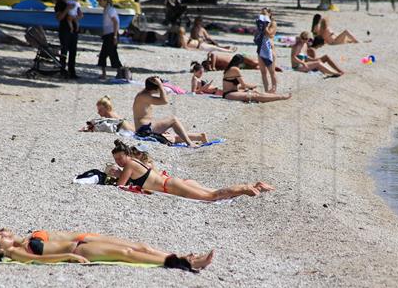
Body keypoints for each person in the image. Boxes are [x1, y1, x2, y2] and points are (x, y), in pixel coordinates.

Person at [0, 228, 213, 271]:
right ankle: (185, 263)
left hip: (83, 243)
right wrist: (69, 256)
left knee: (140, 246)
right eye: (1, 236)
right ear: (0, 248)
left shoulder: (24, 241)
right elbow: (38, 262)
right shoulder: (13, 253)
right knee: (128, 255)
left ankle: (182, 257)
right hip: (82, 251)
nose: (6, 232)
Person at [111, 140, 275, 201]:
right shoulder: (135, 162)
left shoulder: (130, 165)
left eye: (120, 158)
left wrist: (115, 174)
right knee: (215, 192)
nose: (118, 162)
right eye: (116, 160)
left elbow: (120, 186)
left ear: (127, 155)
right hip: (172, 182)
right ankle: (255, 185)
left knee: (212, 197)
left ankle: (245, 189)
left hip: (170, 186)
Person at [133, 77, 207, 146]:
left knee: (171, 138)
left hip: (145, 128)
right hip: (144, 129)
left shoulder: (144, 94)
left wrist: (160, 128)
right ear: (155, 89)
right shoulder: (144, 96)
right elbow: (164, 101)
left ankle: (200, 136)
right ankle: (190, 143)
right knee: (173, 120)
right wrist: (160, 85)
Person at [221, 54, 291, 103]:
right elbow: (244, 85)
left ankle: (275, 96)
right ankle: (280, 97)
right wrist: (254, 85)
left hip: (233, 92)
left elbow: (235, 85)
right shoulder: (235, 69)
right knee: (255, 96)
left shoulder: (230, 68)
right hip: (229, 94)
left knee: (256, 92)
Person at [54, 0, 81, 78]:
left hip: (74, 30)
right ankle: (62, 70)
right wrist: (66, 9)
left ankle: (72, 71)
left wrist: (75, 18)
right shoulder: (59, 4)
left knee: (73, 51)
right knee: (64, 50)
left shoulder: (74, 2)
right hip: (64, 29)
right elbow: (59, 17)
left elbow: (79, 14)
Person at [97, 0, 122, 79]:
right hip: (107, 35)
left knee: (113, 53)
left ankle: (120, 72)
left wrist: (115, 36)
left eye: (101, 0)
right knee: (103, 54)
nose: (99, 2)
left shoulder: (110, 10)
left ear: (105, 1)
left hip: (112, 34)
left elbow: (116, 22)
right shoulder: (106, 9)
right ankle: (104, 74)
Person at [254, 8, 278, 93]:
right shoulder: (260, 23)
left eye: (265, 14)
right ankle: (266, 90)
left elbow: (270, 34)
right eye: (262, 14)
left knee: (272, 71)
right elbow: (256, 35)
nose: (263, 16)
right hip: (261, 48)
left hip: (269, 49)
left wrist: (266, 25)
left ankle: (274, 89)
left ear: (270, 14)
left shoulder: (273, 23)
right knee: (263, 72)